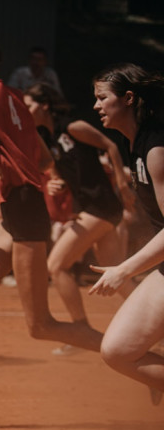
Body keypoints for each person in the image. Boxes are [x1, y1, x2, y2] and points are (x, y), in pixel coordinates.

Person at [0, 28, 105, 427]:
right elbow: (41, 157)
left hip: (23, 214)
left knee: (40, 326)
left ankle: (131, 353)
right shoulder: (12, 94)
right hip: (19, 208)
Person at [23, 83, 136, 356]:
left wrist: (121, 181)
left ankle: (80, 330)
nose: (26, 111)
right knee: (116, 275)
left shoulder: (72, 127)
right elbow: (54, 167)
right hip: (92, 208)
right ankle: (158, 325)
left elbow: (110, 144)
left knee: (57, 265)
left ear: (45, 105)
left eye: (29, 105)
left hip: (102, 206)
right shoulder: (45, 137)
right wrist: (55, 181)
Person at [89, 62, 164, 404]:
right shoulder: (135, 145)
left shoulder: (155, 149)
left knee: (120, 351)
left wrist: (123, 270)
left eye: (103, 98)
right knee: (118, 350)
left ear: (129, 98)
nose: (96, 106)